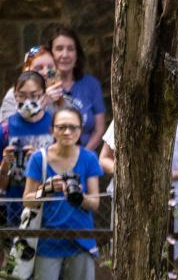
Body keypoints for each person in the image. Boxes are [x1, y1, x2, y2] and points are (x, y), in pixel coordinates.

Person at [20, 108, 102, 280]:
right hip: (46, 240)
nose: (67, 132)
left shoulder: (88, 158)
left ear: (80, 130)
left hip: (80, 241)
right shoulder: (40, 159)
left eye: (73, 127)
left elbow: (95, 203)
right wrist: (47, 189)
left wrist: (77, 196)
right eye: (61, 127)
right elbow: (27, 199)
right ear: (52, 130)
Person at [99, 107, 178, 262]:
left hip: (170, 200)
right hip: (127, 199)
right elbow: (105, 159)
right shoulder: (126, 109)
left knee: (167, 259)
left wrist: (164, 178)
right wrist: (130, 176)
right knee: (125, 257)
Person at [0, 72, 54, 229]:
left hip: (49, 206)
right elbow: (1, 185)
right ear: (14, 96)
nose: (27, 101)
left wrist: (39, 158)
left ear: (43, 95)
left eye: (33, 95)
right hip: (15, 207)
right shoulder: (5, 129)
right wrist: (5, 163)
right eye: (21, 95)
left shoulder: (55, 125)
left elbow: (64, 168)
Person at [47, 28, 106, 152]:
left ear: (77, 54)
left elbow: (99, 129)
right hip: (50, 162)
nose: (65, 54)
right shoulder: (41, 86)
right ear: (51, 54)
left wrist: (82, 157)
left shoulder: (91, 84)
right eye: (59, 49)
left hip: (85, 162)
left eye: (70, 49)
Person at [0, 47, 62, 123]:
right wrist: (42, 103)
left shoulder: (61, 96)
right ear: (27, 70)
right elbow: (8, 128)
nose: (45, 72)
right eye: (39, 68)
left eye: (50, 67)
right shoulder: (13, 95)